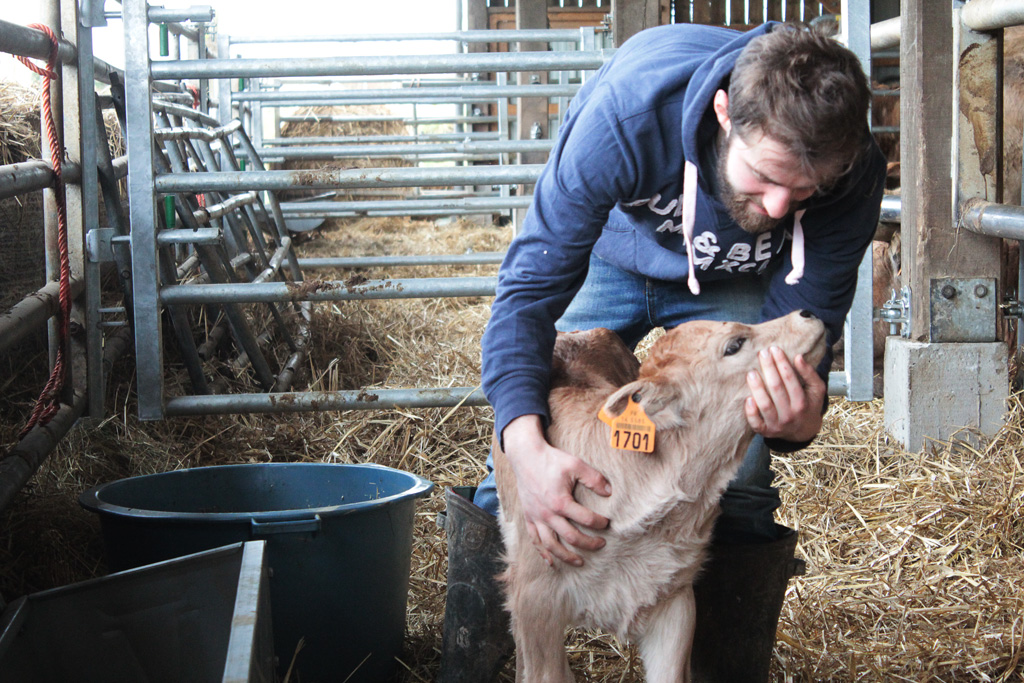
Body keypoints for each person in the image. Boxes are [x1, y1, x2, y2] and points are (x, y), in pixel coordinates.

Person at [438, 20, 886, 682]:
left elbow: (802, 327)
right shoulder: (626, 115)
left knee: (746, 478)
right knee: (524, 449)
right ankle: (475, 665)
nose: (778, 205)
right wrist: (525, 448)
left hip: (731, 281)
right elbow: (527, 294)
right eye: (764, 176)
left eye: (803, 191)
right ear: (724, 112)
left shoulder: (849, 171)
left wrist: (798, 422)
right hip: (611, 253)